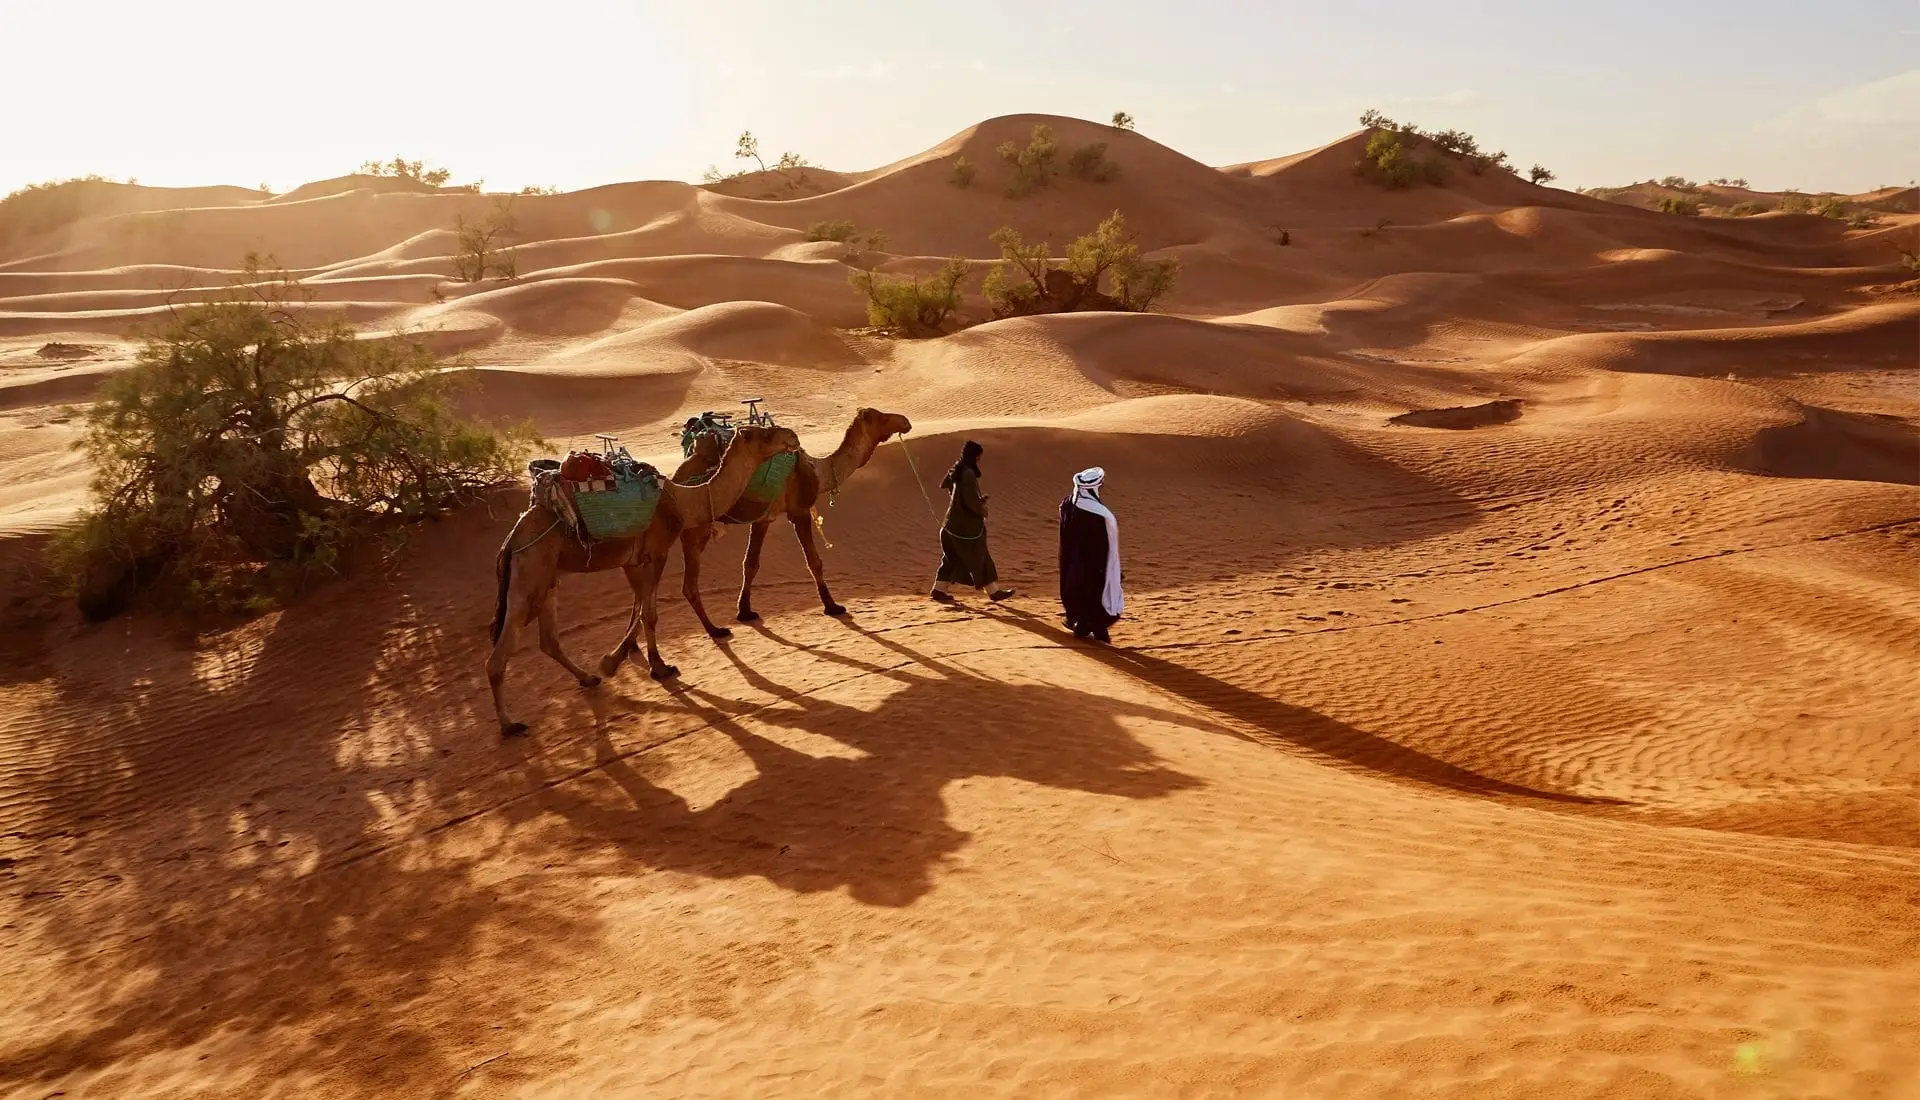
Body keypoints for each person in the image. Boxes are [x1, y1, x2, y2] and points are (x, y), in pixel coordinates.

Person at [931, 440, 1014, 603]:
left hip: (950, 524)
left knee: (951, 557)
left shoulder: (956, 469)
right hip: (965, 528)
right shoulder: (967, 473)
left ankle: (938, 590)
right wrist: (981, 505)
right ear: (975, 456)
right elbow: (970, 501)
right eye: (978, 456)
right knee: (981, 555)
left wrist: (958, 495)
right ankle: (994, 591)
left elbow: (945, 485)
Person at [1059, 466, 1123, 642]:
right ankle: (1091, 630)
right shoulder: (1098, 514)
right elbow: (1100, 544)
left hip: (1072, 562)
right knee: (1098, 597)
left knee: (1080, 595)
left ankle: (1083, 625)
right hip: (1093, 565)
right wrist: (1110, 567)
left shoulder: (1067, 504)